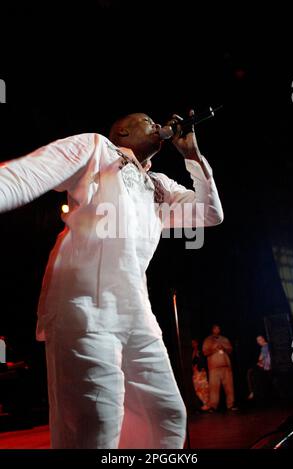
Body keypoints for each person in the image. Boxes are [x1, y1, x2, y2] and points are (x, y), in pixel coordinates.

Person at [0, 111, 223, 448]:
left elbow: (210, 213)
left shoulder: (159, 186)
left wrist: (192, 156)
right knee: (97, 425)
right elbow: (26, 174)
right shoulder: (98, 149)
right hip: (84, 307)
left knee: (166, 416)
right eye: (147, 121)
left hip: (137, 316)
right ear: (123, 131)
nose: (157, 124)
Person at [202, 324, 237, 411]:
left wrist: (224, 347)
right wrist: (214, 349)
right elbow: (205, 352)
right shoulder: (208, 340)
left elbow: (230, 349)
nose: (217, 330)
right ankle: (213, 406)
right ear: (212, 329)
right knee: (214, 388)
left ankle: (231, 405)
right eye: (215, 328)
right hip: (214, 368)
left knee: (229, 387)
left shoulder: (224, 339)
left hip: (226, 366)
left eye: (218, 328)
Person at [247, 335, 272, 402]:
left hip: (266, 366)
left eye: (260, 340)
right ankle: (256, 392)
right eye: (257, 340)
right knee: (255, 375)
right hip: (266, 365)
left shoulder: (265, 347)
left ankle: (253, 392)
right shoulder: (267, 346)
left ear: (263, 339)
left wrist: (260, 362)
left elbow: (261, 358)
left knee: (250, 372)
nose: (258, 342)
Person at [191, 339, 210, 411]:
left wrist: (201, 367)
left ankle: (207, 404)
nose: (193, 344)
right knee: (197, 388)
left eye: (194, 343)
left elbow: (203, 360)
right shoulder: (192, 352)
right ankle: (203, 404)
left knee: (203, 387)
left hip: (201, 372)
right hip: (195, 373)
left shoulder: (200, 351)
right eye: (192, 343)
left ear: (197, 343)